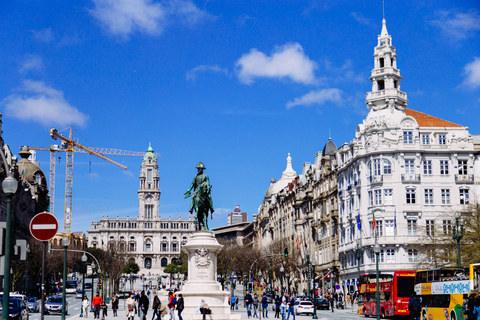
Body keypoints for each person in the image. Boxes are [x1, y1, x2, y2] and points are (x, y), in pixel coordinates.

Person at [184, 162, 214, 230]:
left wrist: (208, 187)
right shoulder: (196, 176)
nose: (198, 170)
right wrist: (188, 190)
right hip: (197, 190)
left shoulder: (206, 176)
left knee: (209, 197)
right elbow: (192, 184)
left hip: (204, 190)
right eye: (198, 168)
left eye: (199, 168)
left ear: (202, 169)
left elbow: (208, 183)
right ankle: (191, 208)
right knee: (193, 197)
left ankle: (211, 207)